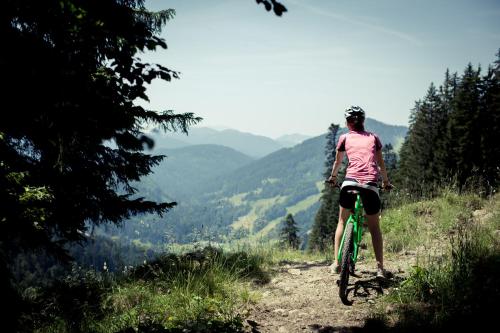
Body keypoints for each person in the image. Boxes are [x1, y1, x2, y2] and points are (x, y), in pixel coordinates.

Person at [327, 106, 392, 279]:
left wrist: (333, 178)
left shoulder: (344, 137)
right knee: (374, 227)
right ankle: (379, 268)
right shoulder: (374, 138)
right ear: (363, 121)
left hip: (349, 184)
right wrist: (385, 182)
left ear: (348, 123)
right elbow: (381, 164)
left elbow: (337, 162)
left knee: (342, 221)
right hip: (370, 185)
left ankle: (337, 263)